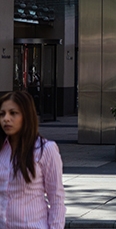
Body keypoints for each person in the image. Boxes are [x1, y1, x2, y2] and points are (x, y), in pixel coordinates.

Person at [0, 91, 65, 229]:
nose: (6, 119)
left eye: (13, 113)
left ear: (26, 116)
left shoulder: (45, 149)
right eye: (2, 114)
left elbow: (57, 199)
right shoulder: (2, 150)